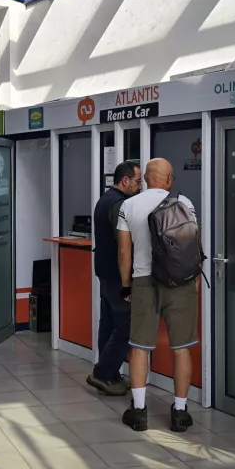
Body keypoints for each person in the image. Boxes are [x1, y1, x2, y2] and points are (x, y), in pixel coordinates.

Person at [117, 158, 199, 433]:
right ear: (169, 179)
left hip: (143, 281)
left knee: (139, 346)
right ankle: (179, 412)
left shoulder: (128, 205)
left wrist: (126, 285)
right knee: (182, 347)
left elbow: (123, 252)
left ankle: (139, 411)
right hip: (180, 283)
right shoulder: (185, 203)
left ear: (146, 179)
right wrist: (194, 280)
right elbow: (194, 245)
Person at [87, 161, 141, 396]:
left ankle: (111, 375)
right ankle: (103, 373)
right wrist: (127, 281)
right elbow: (124, 246)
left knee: (108, 323)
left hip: (104, 271)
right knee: (126, 326)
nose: (140, 187)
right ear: (125, 181)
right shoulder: (119, 205)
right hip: (118, 275)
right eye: (138, 181)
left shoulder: (104, 200)